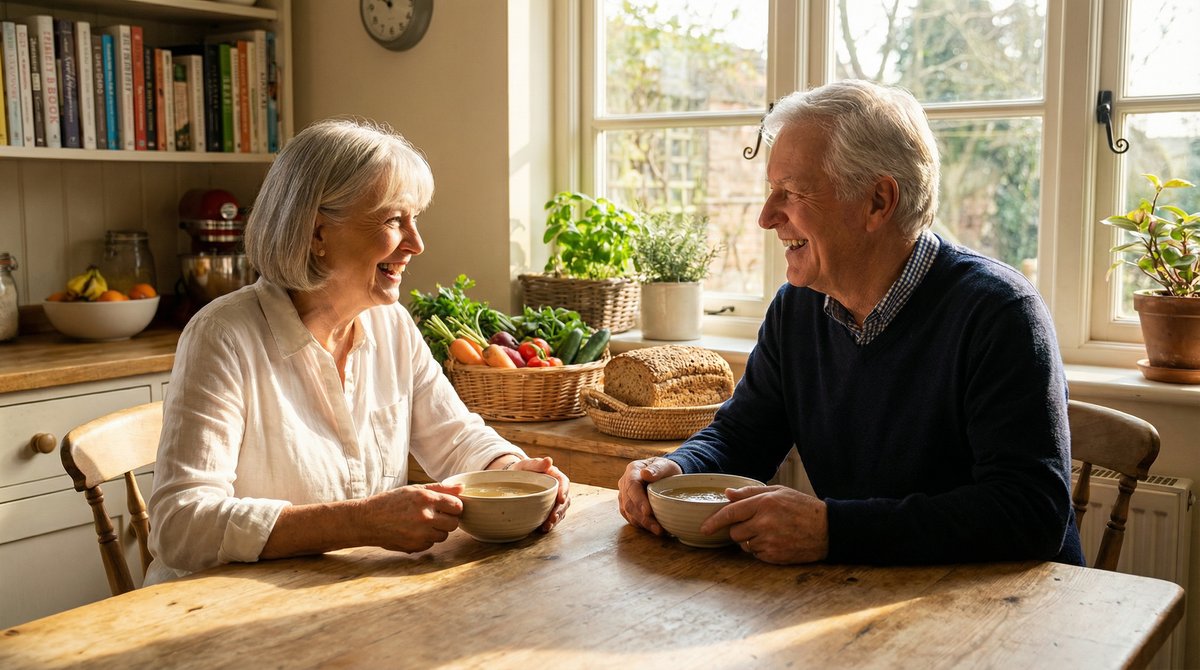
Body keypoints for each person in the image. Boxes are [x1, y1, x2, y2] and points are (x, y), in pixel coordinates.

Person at [617, 80, 1083, 567]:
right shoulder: (796, 308)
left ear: (878, 201)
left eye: (791, 192)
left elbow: (1030, 514)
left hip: (1014, 612)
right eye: (770, 191)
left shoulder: (1000, 312)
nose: (765, 216)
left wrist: (833, 530)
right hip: (870, 592)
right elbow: (743, 436)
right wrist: (673, 467)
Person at [147, 118, 570, 584]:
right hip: (214, 618)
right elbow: (180, 524)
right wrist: (359, 521)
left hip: (341, 599)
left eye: (415, 218)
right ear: (316, 234)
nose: (416, 243)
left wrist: (512, 470)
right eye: (393, 220)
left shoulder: (391, 325)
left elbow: (454, 436)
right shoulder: (222, 336)